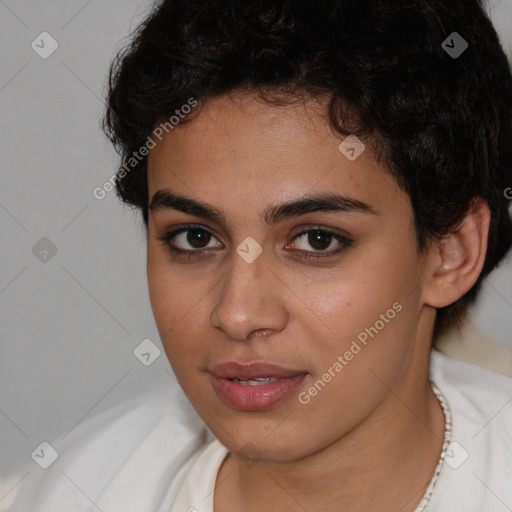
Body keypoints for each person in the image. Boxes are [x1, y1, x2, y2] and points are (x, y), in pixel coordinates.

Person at [7, 0, 512, 510]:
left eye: (317, 240)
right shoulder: (65, 492)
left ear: (452, 253)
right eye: (195, 238)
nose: (238, 315)